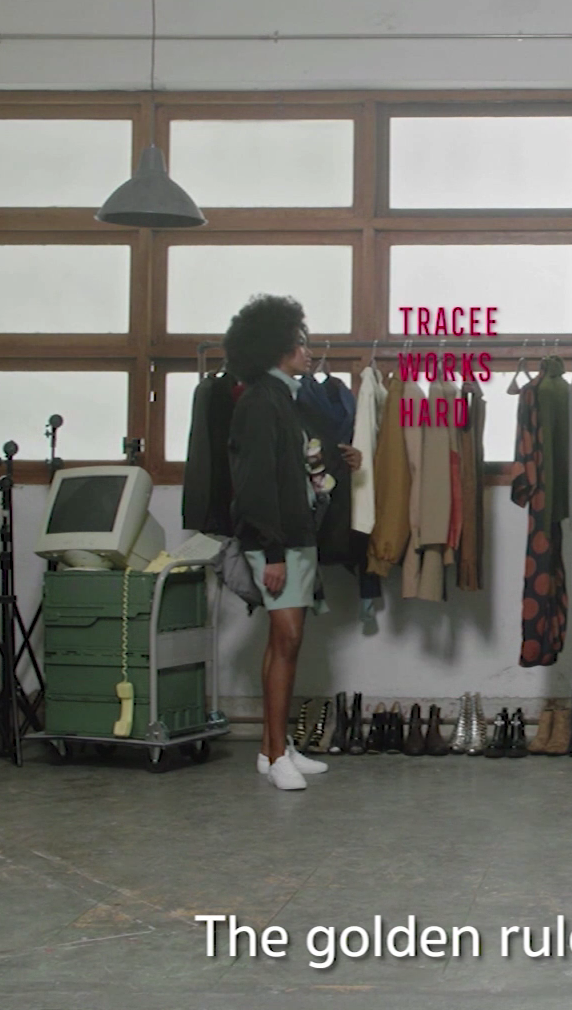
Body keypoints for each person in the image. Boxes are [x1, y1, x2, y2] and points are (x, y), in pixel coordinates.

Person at [224, 295, 362, 791]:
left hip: (294, 535)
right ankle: (277, 753)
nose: (307, 352)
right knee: (287, 639)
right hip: (277, 540)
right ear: (277, 348)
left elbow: (297, 464)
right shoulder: (260, 402)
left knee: (284, 640)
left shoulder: (284, 398)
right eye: (300, 344)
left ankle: (273, 749)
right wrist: (274, 552)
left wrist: (341, 460)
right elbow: (256, 483)